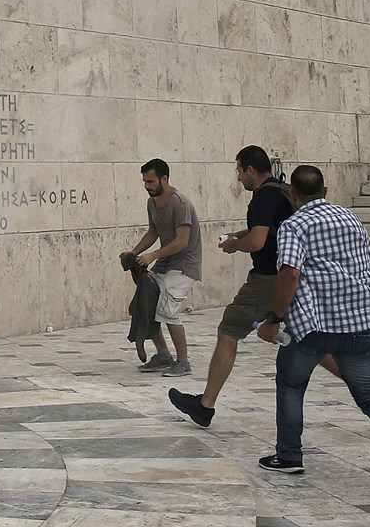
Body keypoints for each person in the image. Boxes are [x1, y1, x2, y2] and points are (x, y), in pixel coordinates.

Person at [253, 166, 370, 480]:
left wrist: (273, 320)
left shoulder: (293, 225)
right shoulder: (350, 218)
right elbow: (366, 260)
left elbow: (289, 274)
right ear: (325, 191)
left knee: (291, 385)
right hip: (360, 321)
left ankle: (289, 455)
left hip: (315, 326)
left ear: (293, 195)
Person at [169, 146, 341, 426]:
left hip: (268, 280)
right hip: (289, 274)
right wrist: (240, 233)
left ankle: (205, 405)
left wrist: (235, 245)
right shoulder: (280, 190)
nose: (238, 178)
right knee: (311, 342)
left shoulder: (262, 197)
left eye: (239, 171)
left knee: (228, 329)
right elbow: (271, 229)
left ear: (250, 170)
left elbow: (259, 242)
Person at [123, 159, 201, 377]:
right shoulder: (152, 202)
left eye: (150, 181)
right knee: (146, 302)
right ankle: (163, 355)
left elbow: (182, 241)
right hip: (166, 263)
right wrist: (134, 253)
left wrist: (153, 255)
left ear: (164, 179)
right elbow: (153, 232)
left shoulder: (180, 203)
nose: (146, 186)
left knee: (167, 309)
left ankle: (183, 361)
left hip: (185, 265)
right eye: (144, 181)